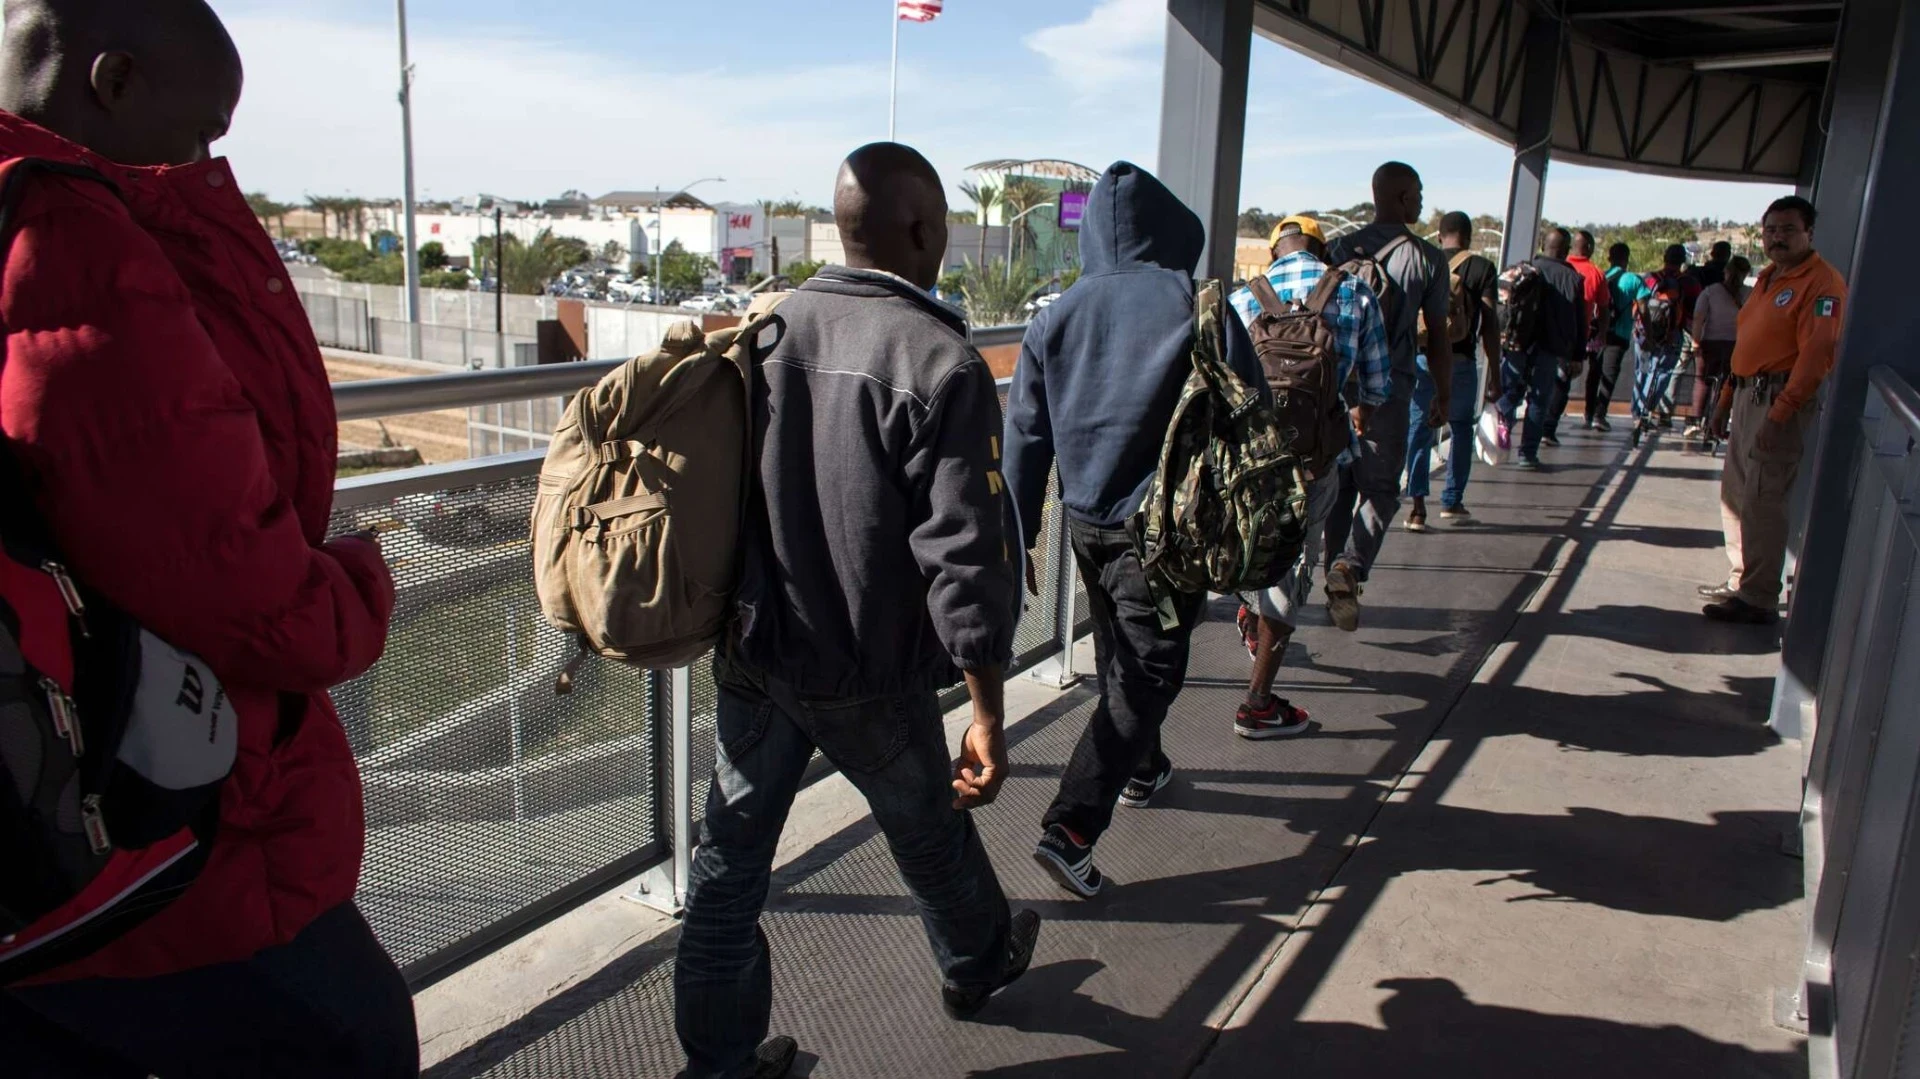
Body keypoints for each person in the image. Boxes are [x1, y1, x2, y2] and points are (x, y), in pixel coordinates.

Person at [0, 2, 411, 1076]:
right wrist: (361, 587)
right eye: (203, 129)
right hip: (160, 816)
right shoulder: (71, 240)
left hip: (36, 811)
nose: (207, 159)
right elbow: (242, 587)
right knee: (355, 1036)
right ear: (114, 81)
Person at [677, 143, 1038, 1079]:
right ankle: (976, 962)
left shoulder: (769, 327)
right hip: (866, 670)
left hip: (757, 650)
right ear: (922, 231)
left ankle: (718, 1064)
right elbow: (965, 559)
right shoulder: (940, 359)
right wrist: (988, 712)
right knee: (927, 826)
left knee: (727, 867)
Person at [1004, 161, 1267, 898]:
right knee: (1151, 667)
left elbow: (1025, 437)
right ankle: (1071, 828)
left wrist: (1019, 536)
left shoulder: (1054, 316)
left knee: (1121, 652)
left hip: (1085, 523)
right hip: (1164, 535)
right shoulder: (1197, 303)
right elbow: (1253, 409)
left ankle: (1142, 768)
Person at [1228, 215, 1391, 735]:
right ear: (1323, 253)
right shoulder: (1354, 292)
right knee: (1294, 565)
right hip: (1314, 463)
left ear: (1275, 252)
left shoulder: (1242, 297)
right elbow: (1377, 385)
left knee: (1243, 542)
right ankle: (1258, 705)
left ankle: (1251, 610)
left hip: (1250, 462)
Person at [1702, 197, 1847, 625]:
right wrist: (1725, 400)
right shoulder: (1768, 277)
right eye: (1770, 230)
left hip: (1777, 398)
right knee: (1736, 494)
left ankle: (1758, 597)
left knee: (1763, 499)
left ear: (1809, 234)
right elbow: (1748, 345)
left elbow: (1816, 356)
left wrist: (1781, 415)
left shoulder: (1822, 283)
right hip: (1747, 394)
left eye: (1787, 230)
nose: (1776, 238)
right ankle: (1742, 580)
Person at [1323, 163, 1452, 621]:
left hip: (1337, 390)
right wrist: (1443, 393)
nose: (1421, 201)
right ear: (1402, 197)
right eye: (1418, 194)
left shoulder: (1339, 249)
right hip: (1390, 390)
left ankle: (1334, 579)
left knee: (1340, 487)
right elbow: (1438, 334)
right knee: (1379, 489)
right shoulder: (1427, 258)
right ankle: (1348, 567)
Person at [1406, 211, 1499, 521]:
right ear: (1469, 237)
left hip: (1422, 358)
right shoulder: (1482, 267)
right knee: (1460, 429)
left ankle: (1417, 507)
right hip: (1461, 359)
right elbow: (1490, 324)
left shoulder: (1423, 262)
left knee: (1418, 429)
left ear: (1438, 236)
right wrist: (1495, 374)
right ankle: (1452, 501)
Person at [1493, 228, 1583, 469]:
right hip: (1549, 348)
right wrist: (1576, 355)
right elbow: (1577, 321)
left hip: (1517, 344)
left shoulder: (1524, 269)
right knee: (1539, 400)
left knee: (1510, 393)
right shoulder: (1571, 278)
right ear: (1566, 250)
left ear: (1543, 246)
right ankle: (1527, 454)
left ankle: (1495, 441)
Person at [1542, 229, 1611, 445]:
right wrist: (1600, 335)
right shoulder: (1594, 274)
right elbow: (1603, 309)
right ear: (1589, 248)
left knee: (1539, 383)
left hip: (1540, 335)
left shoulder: (1548, 266)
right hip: (1569, 338)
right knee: (1561, 385)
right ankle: (1548, 429)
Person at [1632, 243, 1703, 432]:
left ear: (1664, 258)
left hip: (1642, 335)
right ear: (1682, 261)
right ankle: (1645, 412)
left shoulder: (1649, 278)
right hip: (1670, 336)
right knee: (1662, 373)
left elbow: (1637, 304)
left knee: (1642, 372)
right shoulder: (1689, 283)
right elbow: (1694, 312)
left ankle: (1636, 412)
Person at [1686, 254, 1751, 439]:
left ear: (1726, 271)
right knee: (1727, 386)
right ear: (1746, 273)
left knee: (1702, 381)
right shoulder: (1751, 293)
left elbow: (1698, 318)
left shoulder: (1710, 291)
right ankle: (1717, 426)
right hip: (1737, 346)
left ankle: (1696, 421)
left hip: (1710, 344)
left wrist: (1695, 342)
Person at [1588, 242, 1648, 430]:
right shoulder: (1634, 280)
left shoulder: (1601, 276)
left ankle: (1588, 413)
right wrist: (1649, 334)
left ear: (1609, 258)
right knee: (1610, 374)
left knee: (1594, 372)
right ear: (1627, 258)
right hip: (1619, 333)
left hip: (1597, 332)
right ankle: (1599, 415)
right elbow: (1643, 308)